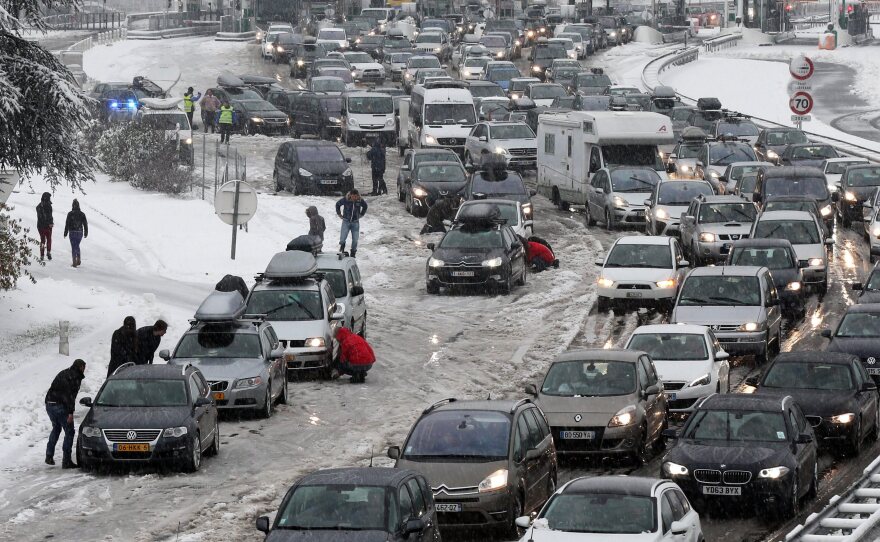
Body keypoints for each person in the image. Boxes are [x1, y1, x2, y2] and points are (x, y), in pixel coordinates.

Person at [45, 359, 86, 468]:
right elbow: (70, 396)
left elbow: (53, 387)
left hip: (49, 403)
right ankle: (66, 460)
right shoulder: (75, 377)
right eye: (83, 367)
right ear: (81, 367)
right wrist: (70, 413)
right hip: (60, 405)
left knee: (56, 428)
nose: (84, 370)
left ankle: (49, 455)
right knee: (70, 432)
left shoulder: (63, 372)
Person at [335, 190, 368, 257]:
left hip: (355, 222)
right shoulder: (345, 199)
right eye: (353, 196)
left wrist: (361, 214)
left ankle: (353, 252)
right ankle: (342, 247)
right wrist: (339, 214)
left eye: (356, 196)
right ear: (350, 195)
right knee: (342, 238)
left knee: (355, 239)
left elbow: (365, 206)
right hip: (346, 221)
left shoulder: (359, 200)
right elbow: (337, 204)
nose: (354, 198)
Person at [63, 199, 88, 268]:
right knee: (77, 245)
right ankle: (78, 259)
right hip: (80, 232)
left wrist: (65, 232)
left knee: (74, 246)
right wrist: (86, 232)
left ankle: (74, 262)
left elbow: (67, 224)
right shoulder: (82, 214)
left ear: (72, 205)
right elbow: (85, 224)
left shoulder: (70, 214)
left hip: (72, 232)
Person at [36, 192, 53, 261]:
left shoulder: (38, 206)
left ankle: (42, 255)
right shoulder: (48, 205)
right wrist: (50, 223)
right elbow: (50, 216)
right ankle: (48, 252)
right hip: (48, 226)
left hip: (40, 226)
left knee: (42, 240)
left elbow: (40, 217)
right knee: (49, 239)